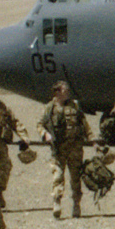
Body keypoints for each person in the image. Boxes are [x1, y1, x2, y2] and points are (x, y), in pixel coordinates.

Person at [38, 81, 90, 219]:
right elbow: (40, 124)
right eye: (65, 90)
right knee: (58, 176)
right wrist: (45, 134)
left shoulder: (75, 106)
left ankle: (76, 205)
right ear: (57, 92)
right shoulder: (49, 108)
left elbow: (84, 124)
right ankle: (57, 202)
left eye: (68, 90)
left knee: (75, 178)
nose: (68, 92)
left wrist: (93, 140)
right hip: (59, 149)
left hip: (75, 148)